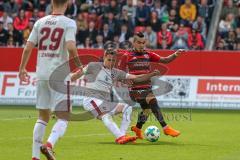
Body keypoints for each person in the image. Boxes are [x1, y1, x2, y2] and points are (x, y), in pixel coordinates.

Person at [18, 0, 82, 160]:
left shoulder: (40, 22)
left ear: (52, 3)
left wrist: (22, 68)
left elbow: (28, 47)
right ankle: (49, 145)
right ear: (67, 4)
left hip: (42, 73)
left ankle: (34, 156)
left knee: (42, 117)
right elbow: (71, 47)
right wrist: (80, 65)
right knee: (64, 116)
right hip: (59, 75)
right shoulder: (69, 23)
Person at [71, 48, 160, 144]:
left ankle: (123, 134)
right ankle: (120, 137)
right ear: (104, 57)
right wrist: (73, 78)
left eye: (113, 60)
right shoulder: (93, 66)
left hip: (105, 102)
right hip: (91, 100)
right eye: (109, 60)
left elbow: (136, 78)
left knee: (128, 107)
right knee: (106, 115)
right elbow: (76, 75)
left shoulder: (116, 72)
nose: (111, 62)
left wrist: (150, 74)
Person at [118, 32, 186, 139]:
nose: (141, 45)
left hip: (146, 88)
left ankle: (137, 128)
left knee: (147, 110)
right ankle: (166, 128)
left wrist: (175, 54)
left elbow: (165, 60)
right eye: (139, 42)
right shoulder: (126, 56)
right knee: (152, 99)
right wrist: (124, 81)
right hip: (135, 89)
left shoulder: (148, 54)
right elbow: (119, 73)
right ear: (134, 43)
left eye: (143, 42)